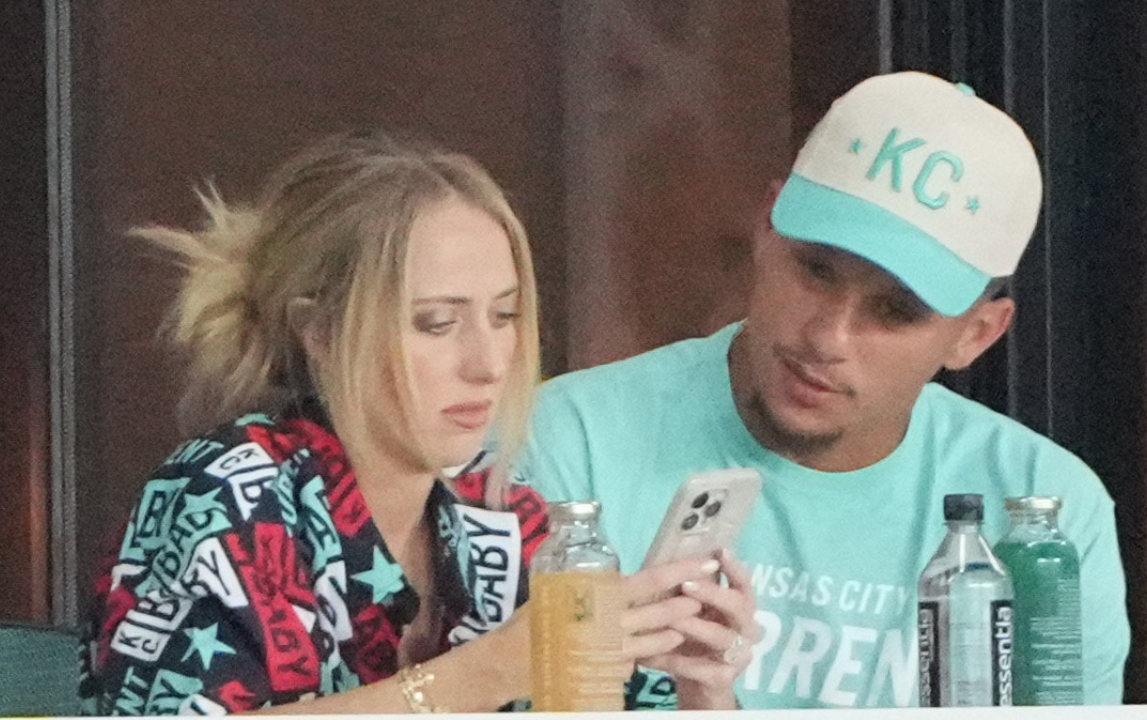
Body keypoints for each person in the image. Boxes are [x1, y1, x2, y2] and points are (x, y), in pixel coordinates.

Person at [518, 72, 1130, 708]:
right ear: (766, 225)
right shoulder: (569, 440)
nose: (828, 337)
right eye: (814, 270)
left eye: (895, 311)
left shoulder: (1045, 515)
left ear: (977, 334)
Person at [78, 130, 728, 715]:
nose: (488, 363)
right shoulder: (225, 496)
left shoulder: (505, 518)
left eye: (504, 316)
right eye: (437, 323)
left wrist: (703, 697)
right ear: (322, 332)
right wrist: (484, 674)